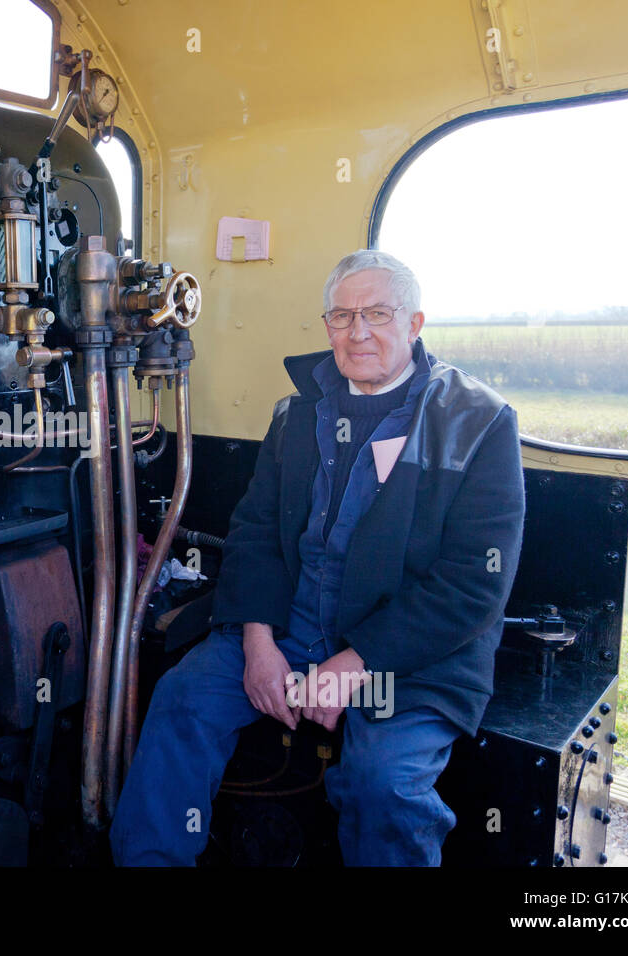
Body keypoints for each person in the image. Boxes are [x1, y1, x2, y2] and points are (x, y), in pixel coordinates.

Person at [109, 249, 525, 866]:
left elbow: (473, 584)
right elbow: (253, 533)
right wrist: (257, 643)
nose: (358, 332)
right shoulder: (295, 413)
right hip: (291, 629)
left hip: (406, 660)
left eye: (378, 314)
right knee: (182, 701)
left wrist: (356, 664)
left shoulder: (478, 422)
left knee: (384, 782)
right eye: (341, 316)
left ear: (414, 324)